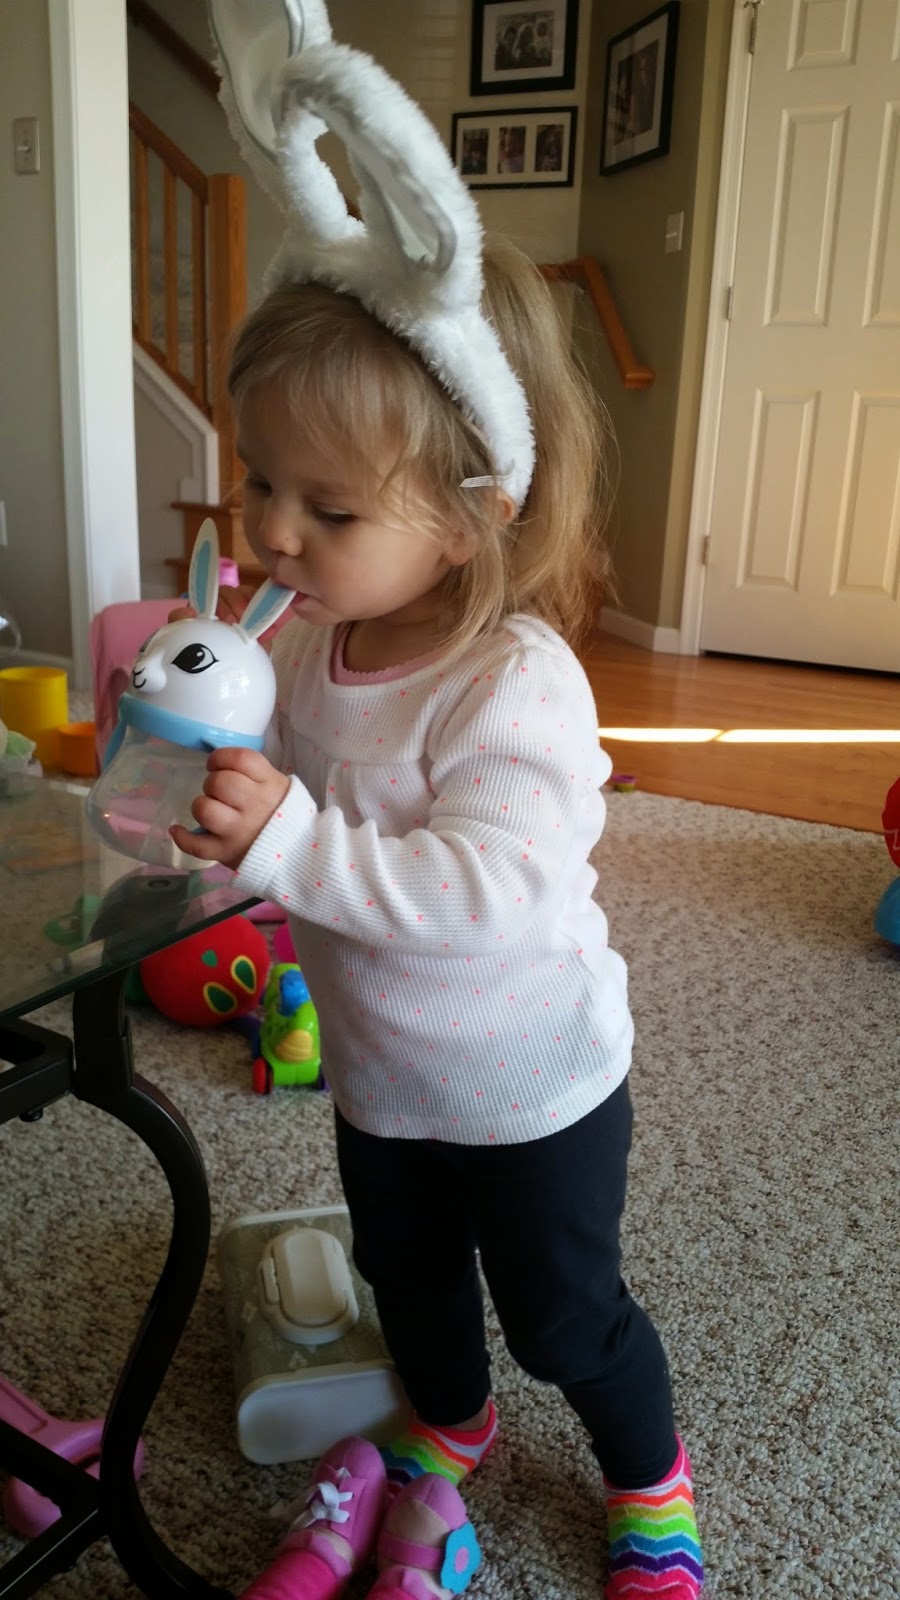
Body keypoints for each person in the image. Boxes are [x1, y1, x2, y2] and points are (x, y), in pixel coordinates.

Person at [190, 5, 704, 1596]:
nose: (273, 531)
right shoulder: (311, 640)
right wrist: (222, 800)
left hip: (532, 1087)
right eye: (259, 478)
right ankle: (449, 1425)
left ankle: (650, 1480)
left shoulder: (514, 686)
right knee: (410, 1284)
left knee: (566, 1317)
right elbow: (293, 813)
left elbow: (490, 889)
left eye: (328, 508)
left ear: (472, 518)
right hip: (382, 1078)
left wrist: (292, 840)